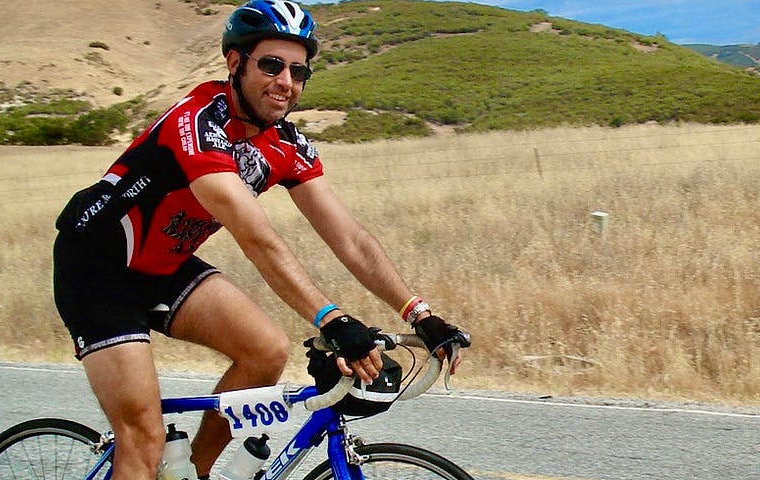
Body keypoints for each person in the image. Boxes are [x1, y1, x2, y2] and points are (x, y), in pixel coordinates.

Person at [51, 1, 466, 478]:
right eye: (271, 64)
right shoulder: (197, 124)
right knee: (142, 440)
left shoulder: (286, 144)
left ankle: (193, 474)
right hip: (97, 267)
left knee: (265, 351)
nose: (285, 81)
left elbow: (350, 238)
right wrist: (333, 319)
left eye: (297, 70)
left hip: (164, 265)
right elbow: (258, 238)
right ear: (235, 64)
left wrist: (420, 313)